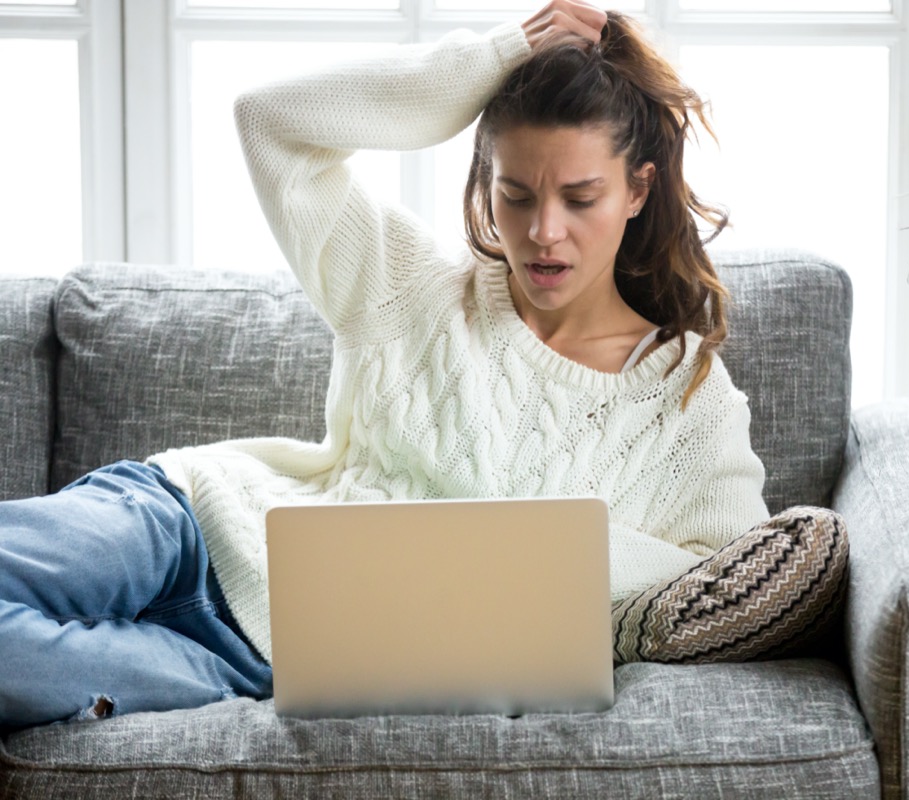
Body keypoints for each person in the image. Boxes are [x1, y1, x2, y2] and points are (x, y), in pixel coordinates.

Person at [0, 0, 768, 729]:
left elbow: (740, 583)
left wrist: (571, 556)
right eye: (515, 193)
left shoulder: (688, 401)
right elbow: (269, 121)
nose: (542, 232)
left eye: (579, 197)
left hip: (259, 662)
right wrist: (495, 56)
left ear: (637, 190)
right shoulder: (407, 286)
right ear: (485, 185)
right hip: (189, 524)